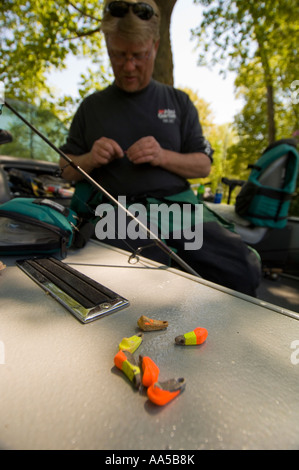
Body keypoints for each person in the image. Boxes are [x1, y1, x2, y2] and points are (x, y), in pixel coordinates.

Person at [60, 0, 261, 296]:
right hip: (116, 212)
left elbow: (203, 166)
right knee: (136, 278)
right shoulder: (91, 107)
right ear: (107, 47)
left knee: (240, 268)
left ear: (154, 47)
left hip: (180, 212)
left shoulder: (179, 102)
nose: (129, 66)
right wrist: (89, 159)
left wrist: (162, 156)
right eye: (119, 55)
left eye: (138, 56)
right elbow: (65, 169)